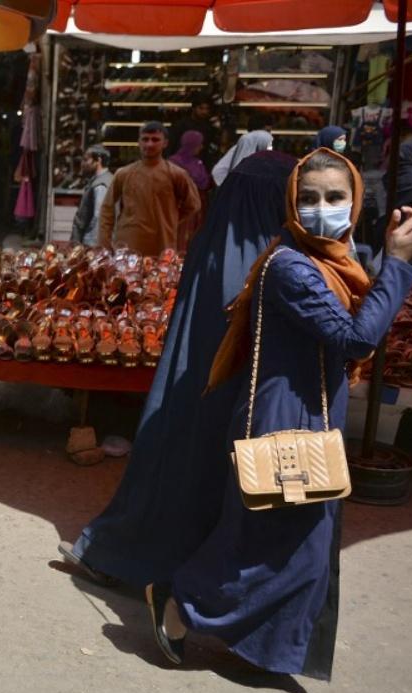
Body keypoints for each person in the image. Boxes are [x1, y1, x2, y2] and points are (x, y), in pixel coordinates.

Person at [146, 149, 412, 678]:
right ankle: (181, 601)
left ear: (356, 201)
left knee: (296, 548)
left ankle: (262, 648)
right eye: (308, 199)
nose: (321, 208)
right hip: (283, 417)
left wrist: (397, 261)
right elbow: (356, 339)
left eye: (335, 197)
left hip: (313, 412)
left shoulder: (339, 261)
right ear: (289, 204)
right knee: (275, 546)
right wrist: (398, 264)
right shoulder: (290, 267)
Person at [61, 150, 299, 588]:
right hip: (239, 399)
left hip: (191, 389)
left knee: (174, 472)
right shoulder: (277, 260)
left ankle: (124, 555)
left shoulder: (216, 243)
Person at [99, 122, 201, 256]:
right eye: (145, 139)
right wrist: (104, 242)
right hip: (127, 249)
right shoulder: (123, 173)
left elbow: (193, 205)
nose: (149, 144)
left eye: (155, 140)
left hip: (162, 248)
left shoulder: (176, 174)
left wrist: (170, 219)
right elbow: (107, 208)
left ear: (165, 143)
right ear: (139, 142)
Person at [168, 130, 212, 250]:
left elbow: (205, 182)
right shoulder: (173, 163)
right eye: (199, 144)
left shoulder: (197, 162)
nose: (201, 147)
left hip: (196, 211)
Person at [70, 145, 113, 246]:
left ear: (98, 161)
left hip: (92, 246)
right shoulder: (99, 180)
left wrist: (89, 245)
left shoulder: (101, 184)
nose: (82, 164)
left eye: (86, 160)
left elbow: (98, 218)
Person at [168, 95, 222, 170]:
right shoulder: (180, 125)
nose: (204, 112)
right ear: (193, 108)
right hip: (179, 165)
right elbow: (171, 145)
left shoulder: (208, 128)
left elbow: (207, 150)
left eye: (207, 109)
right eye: (201, 108)